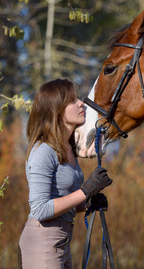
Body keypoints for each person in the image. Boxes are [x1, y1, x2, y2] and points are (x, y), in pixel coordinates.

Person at [19, 79, 113, 269]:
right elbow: (40, 209)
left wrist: (88, 202)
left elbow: (63, 199)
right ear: (57, 110)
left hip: (61, 242)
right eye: (72, 101)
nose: (81, 104)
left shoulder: (68, 148)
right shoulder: (43, 151)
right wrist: (85, 191)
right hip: (42, 243)